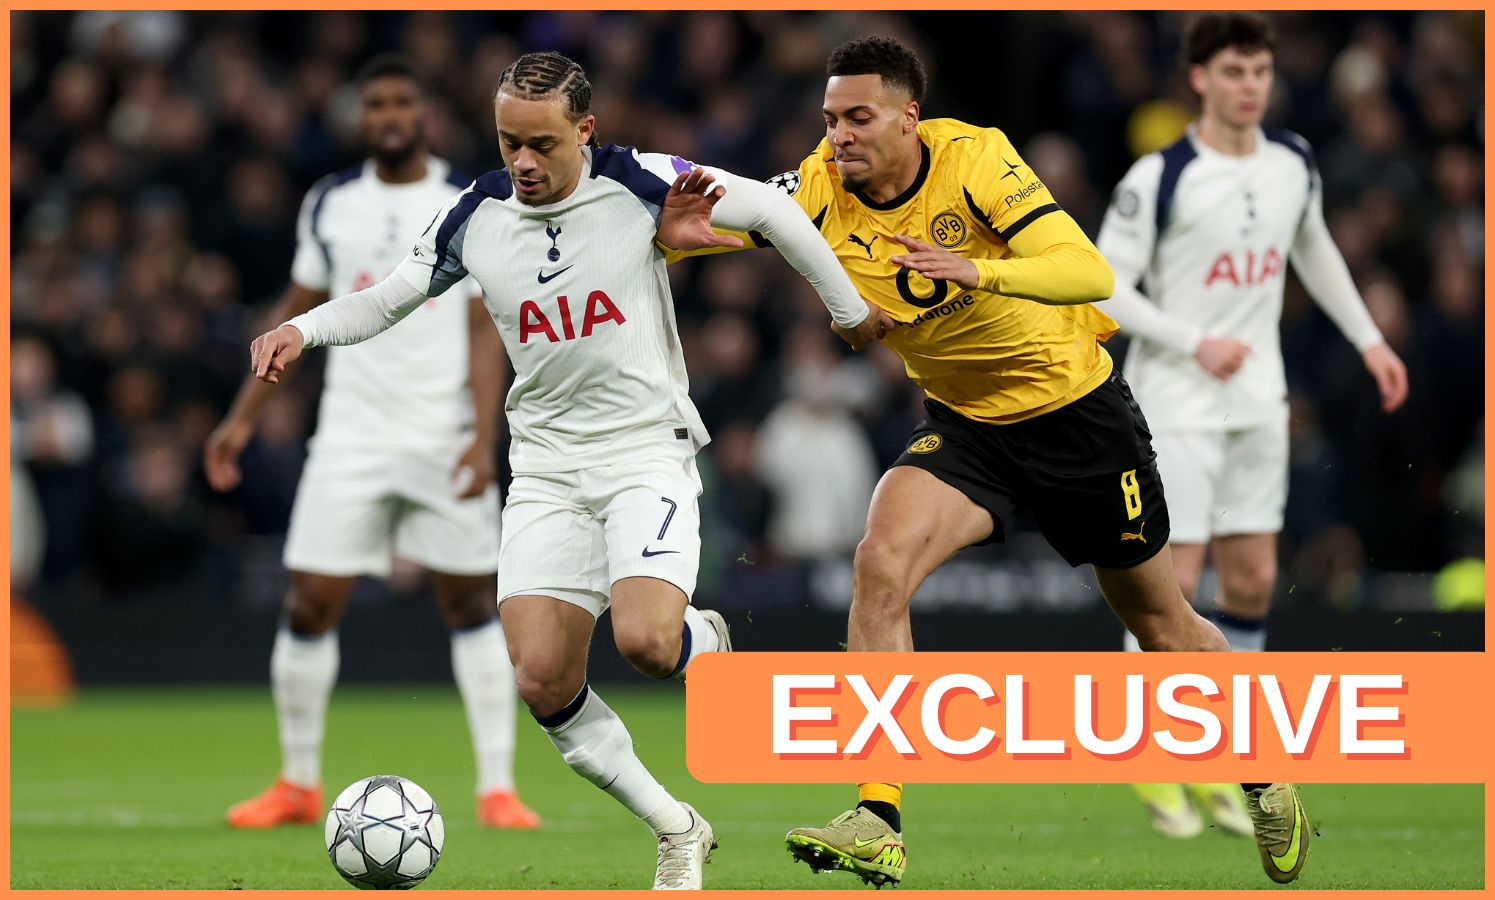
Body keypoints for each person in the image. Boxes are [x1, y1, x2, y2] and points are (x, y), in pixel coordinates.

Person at [662, 34, 1301, 888]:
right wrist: (673, 237)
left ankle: (1264, 775)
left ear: (907, 118)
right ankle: (878, 815)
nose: (838, 136)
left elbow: (1086, 269)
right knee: (878, 564)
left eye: (858, 118)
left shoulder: (975, 160)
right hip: (970, 430)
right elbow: (707, 219)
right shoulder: (815, 184)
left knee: (1161, 626)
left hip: (1079, 419)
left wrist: (979, 270)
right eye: (828, 119)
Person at [247, 51, 887, 890]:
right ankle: (676, 826)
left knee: (649, 644)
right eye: (509, 141)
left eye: (541, 144)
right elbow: (388, 296)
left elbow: (772, 207)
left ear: (583, 131)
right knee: (542, 676)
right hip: (546, 470)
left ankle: (702, 638)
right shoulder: (474, 214)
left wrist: (847, 311)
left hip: (640, 452)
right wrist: (304, 330)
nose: (522, 162)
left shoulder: (641, 181)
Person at [1096, 12, 1405, 870]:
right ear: (1199, 78)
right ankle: (1156, 758)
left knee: (1254, 577)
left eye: (1260, 71)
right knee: (1175, 581)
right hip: (1178, 399)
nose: (1249, 85)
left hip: (1257, 400)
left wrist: (1368, 340)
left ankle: (1236, 764)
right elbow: (1101, 281)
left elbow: (1317, 251)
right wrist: (1188, 339)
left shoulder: (1291, 162)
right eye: (1233, 70)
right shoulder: (1160, 175)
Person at [206, 55, 540, 832]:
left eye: (402, 103)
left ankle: (497, 788)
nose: (389, 115)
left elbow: (483, 327)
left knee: (467, 602)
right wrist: (241, 418)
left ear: (423, 112)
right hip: (350, 436)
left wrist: (482, 436)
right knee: (310, 600)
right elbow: (298, 311)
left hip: (443, 433)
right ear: (362, 116)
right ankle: (295, 783)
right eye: (376, 104)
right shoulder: (330, 202)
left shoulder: (469, 198)